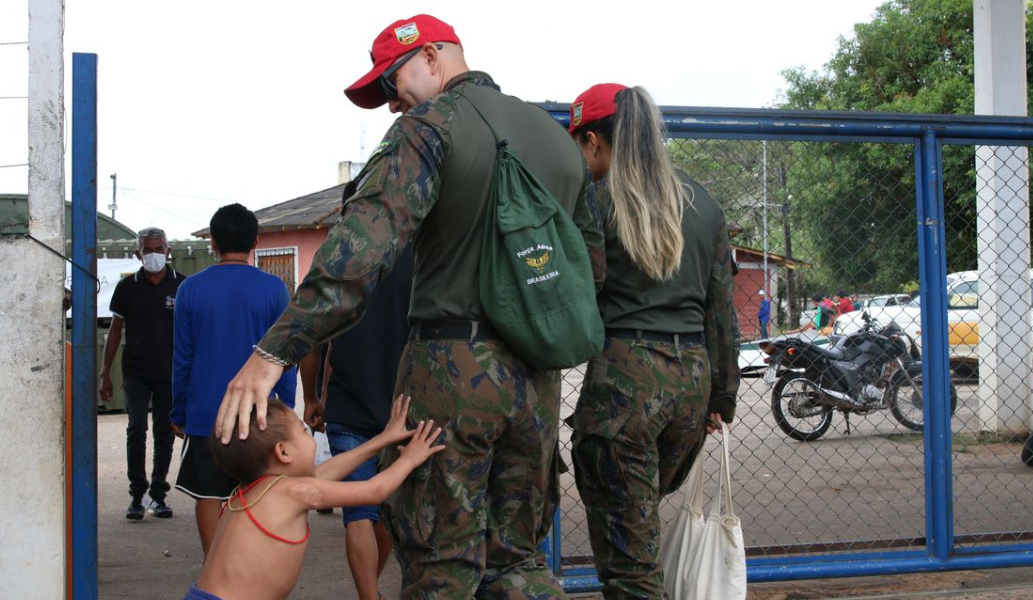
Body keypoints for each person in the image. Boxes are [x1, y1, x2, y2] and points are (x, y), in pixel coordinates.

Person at [213, 14, 604, 600]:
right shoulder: (557, 140)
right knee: (519, 563)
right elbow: (589, 268)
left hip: (453, 371)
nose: (395, 105)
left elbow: (359, 253)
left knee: (442, 565)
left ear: (432, 57)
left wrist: (274, 353)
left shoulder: (431, 127)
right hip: (537, 381)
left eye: (393, 84)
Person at [566, 83, 739, 600]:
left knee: (629, 564)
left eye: (581, 147)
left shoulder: (595, 202)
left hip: (625, 387)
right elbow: (721, 313)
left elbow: (579, 297)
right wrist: (721, 397)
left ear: (594, 141)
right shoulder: (701, 202)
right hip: (690, 383)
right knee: (639, 525)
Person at [183, 396, 443, 600]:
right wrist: (409, 458)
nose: (311, 437)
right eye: (303, 431)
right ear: (284, 452)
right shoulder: (290, 493)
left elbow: (326, 472)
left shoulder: (256, 490)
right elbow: (374, 490)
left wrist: (381, 440)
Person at [171, 204, 298, 556]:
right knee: (257, 494)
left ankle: (215, 574)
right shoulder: (275, 290)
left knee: (209, 496)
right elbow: (285, 358)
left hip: (206, 415)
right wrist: (284, 411)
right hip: (259, 414)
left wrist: (178, 411)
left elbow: (182, 358)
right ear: (255, 241)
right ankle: (250, 569)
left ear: (212, 242)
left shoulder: (190, 290)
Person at [301, 222, 414, 600]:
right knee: (383, 506)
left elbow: (314, 340)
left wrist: (312, 398)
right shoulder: (422, 256)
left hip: (348, 404)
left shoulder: (337, 262)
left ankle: (368, 595)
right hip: (404, 406)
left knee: (359, 510)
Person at [101, 226, 184, 520]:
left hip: (170, 373)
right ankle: (137, 495)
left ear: (168, 251)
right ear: (138, 254)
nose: (153, 255)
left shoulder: (182, 286)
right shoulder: (127, 288)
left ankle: (159, 496)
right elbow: (114, 331)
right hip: (136, 371)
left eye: (158, 249)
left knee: (165, 434)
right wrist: (105, 373)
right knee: (136, 429)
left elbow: (193, 333)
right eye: (147, 250)